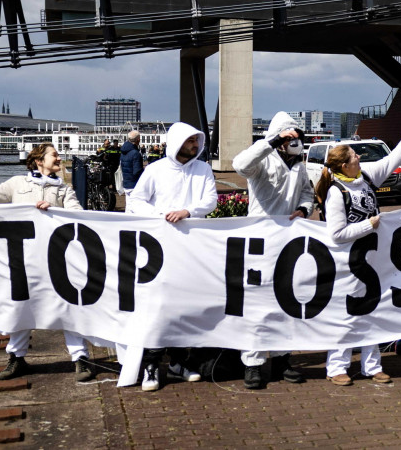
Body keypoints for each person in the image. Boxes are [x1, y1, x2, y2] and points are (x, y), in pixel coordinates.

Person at [0, 143, 97, 382]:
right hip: (22, 259)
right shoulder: (17, 184)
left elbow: (77, 214)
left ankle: (80, 358)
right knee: (20, 307)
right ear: (39, 161)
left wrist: (54, 210)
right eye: (54, 155)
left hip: (56, 260)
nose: (59, 158)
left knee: (69, 306)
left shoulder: (64, 189)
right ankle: (16, 358)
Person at [314, 118, 401, 385]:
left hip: (374, 259)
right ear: (344, 165)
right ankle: (337, 367)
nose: (359, 156)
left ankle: (372, 365)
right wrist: (369, 224)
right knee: (347, 314)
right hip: (349, 264)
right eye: (354, 155)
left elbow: (392, 159)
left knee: (373, 312)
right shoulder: (335, 193)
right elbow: (337, 234)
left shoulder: (364, 177)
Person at [122, 122, 217, 391]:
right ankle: (151, 364)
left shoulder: (203, 169)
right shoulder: (155, 170)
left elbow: (210, 201)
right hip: (159, 248)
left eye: (196, 142)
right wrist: (160, 216)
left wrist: (187, 211)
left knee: (183, 306)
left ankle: (178, 361)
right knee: (157, 305)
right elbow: (136, 200)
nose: (195, 146)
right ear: (176, 143)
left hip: (191, 248)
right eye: (189, 142)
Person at [232, 112, 315, 389]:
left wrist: (305, 208)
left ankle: (281, 359)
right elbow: (240, 164)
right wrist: (271, 141)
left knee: (284, 300)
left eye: (296, 137)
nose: (294, 142)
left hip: (286, 241)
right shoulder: (262, 160)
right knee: (256, 303)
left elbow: (307, 192)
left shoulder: (299, 165)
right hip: (259, 240)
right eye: (289, 137)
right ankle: (253, 363)